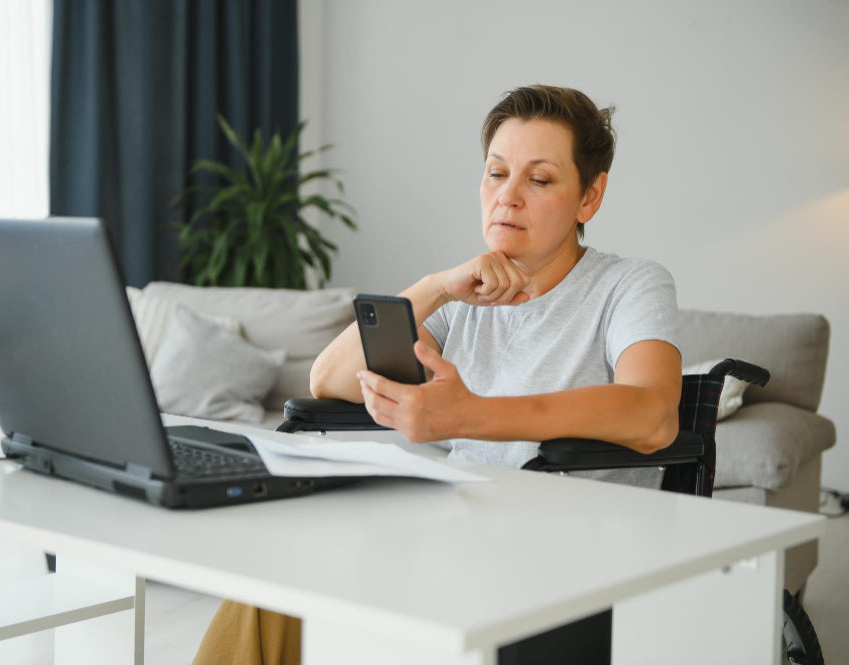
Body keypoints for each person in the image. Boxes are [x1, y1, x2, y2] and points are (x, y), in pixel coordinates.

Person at [193, 84, 681, 665]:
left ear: (589, 197)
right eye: (496, 173)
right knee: (276, 572)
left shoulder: (629, 285)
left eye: (540, 179)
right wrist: (435, 286)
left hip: (564, 556)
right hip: (452, 535)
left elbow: (652, 415)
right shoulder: (462, 295)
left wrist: (471, 414)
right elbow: (331, 379)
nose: (509, 197)